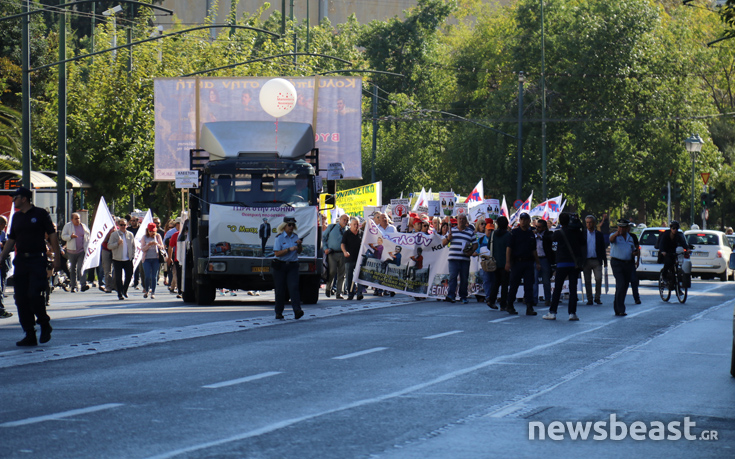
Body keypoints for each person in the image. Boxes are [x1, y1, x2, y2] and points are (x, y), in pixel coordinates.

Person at [0, 187, 61, 346]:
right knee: (20, 298)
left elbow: (52, 235)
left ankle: (44, 323)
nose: (14, 200)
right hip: (21, 261)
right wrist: (1, 258)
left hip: (37, 260)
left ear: (25, 198)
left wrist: (57, 257)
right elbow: (11, 239)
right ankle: (29, 333)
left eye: (16, 197)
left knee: (34, 294)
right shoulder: (16, 217)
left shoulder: (40, 214)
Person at [544, 213, 585, 321]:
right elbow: (583, 242)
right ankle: (572, 313)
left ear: (560, 222)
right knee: (573, 289)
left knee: (557, 288)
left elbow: (550, 238)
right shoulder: (577, 232)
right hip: (574, 264)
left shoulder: (558, 233)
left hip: (562, 263)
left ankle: (552, 312)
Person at [505, 213, 541, 315]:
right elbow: (509, 249)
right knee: (514, 284)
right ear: (519, 220)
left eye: (525, 219)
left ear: (529, 221)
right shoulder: (514, 233)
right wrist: (507, 262)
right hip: (517, 262)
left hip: (528, 262)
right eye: (522, 219)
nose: (523, 221)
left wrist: (537, 262)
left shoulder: (530, 234)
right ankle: (510, 304)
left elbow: (534, 250)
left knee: (529, 285)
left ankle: (529, 307)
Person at [272, 217, 305, 320]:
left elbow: (299, 251)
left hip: (292, 265)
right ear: (284, 226)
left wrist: (299, 245)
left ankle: (297, 311)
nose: (291, 227)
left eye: (293, 225)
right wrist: (288, 249)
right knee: (280, 290)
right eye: (289, 225)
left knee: (294, 287)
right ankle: (278, 312)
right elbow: (277, 253)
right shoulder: (279, 238)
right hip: (280, 266)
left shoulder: (295, 237)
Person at [441, 213, 477, 304]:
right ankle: (451, 295)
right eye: (460, 219)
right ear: (457, 220)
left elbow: (475, 244)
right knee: (453, 277)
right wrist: (448, 238)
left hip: (465, 259)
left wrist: (471, 251)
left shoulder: (470, 232)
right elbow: (443, 243)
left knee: (464, 278)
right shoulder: (451, 231)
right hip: (453, 258)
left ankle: (463, 296)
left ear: (466, 221)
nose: (461, 220)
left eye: (463, 219)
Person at [609, 219, 638, 316]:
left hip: (628, 263)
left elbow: (633, 249)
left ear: (627, 228)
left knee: (624, 286)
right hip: (617, 262)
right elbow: (611, 240)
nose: (621, 229)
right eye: (619, 227)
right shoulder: (615, 236)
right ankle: (620, 308)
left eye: (623, 227)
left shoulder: (630, 237)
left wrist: (635, 253)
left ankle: (617, 307)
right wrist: (617, 234)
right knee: (621, 284)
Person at [107, 218, 137, 301]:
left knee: (129, 275)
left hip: (128, 259)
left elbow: (133, 246)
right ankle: (120, 293)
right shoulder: (114, 235)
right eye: (121, 225)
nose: (123, 226)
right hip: (117, 259)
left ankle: (125, 290)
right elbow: (109, 246)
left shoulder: (130, 234)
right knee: (118, 277)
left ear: (127, 225)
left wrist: (132, 255)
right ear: (118, 225)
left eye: (124, 225)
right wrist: (117, 243)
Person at [61, 212, 90, 292]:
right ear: (72, 220)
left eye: (79, 218)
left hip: (81, 251)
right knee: (72, 269)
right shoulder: (68, 226)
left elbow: (88, 236)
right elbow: (63, 236)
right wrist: (70, 236)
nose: (78, 220)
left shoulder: (83, 227)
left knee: (81, 267)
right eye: (76, 218)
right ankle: (73, 286)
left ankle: (83, 284)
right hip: (71, 251)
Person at [486, 216, 510, 310]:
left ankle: (491, 300)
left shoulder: (492, 234)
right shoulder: (508, 235)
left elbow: (489, 247)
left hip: (495, 262)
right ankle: (503, 303)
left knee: (495, 282)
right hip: (505, 262)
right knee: (505, 284)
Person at [656, 220, 689, 287]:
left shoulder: (678, 235)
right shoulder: (665, 234)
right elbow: (661, 244)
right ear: (671, 228)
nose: (675, 230)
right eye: (673, 228)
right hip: (665, 252)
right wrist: (663, 251)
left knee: (675, 266)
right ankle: (664, 276)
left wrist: (687, 249)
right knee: (668, 263)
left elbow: (683, 243)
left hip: (673, 252)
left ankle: (677, 288)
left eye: (676, 228)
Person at [323, 214, 349, 298]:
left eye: (347, 220)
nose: (345, 221)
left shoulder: (347, 230)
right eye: (344, 219)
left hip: (343, 254)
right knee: (332, 272)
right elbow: (323, 238)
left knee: (342, 274)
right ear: (340, 219)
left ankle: (339, 293)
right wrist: (325, 248)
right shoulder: (332, 227)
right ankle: (328, 288)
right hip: (332, 253)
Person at [583, 215, 607, 305]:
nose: (589, 224)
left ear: (594, 223)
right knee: (587, 281)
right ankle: (589, 299)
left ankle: (597, 297)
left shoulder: (599, 234)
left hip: (597, 260)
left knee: (598, 278)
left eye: (590, 222)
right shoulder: (583, 234)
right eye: (587, 222)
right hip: (586, 261)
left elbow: (602, 248)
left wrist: (604, 261)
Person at [533, 219, 554, 307]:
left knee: (546, 280)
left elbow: (549, 239)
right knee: (534, 280)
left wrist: (540, 236)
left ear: (544, 228)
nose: (537, 228)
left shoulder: (548, 234)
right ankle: (534, 299)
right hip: (535, 259)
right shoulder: (533, 234)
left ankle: (548, 299)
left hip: (545, 259)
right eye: (536, 227)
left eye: (539, 227)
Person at [341, 217, 364, 300]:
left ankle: (359, 293)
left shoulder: (361, 233)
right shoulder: (347, 233)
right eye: (354, 224)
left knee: (360, 276)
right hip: (349, 258)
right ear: (350, 225)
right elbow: (342, 244)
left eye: (357, 224)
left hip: (359, 258)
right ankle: (350, 294)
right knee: (349, 276)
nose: (356, 226)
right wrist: (345, 252)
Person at [141, 222, 165, 299]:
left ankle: (153, 292)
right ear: (148, 231)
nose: (152, 233)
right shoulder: (144, 237)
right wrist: (148, 245)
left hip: (156, 258)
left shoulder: (158, 236)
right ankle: (147, 290)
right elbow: (142, 249)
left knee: (154, 276)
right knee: (147, 275)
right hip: (147, 259)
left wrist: (156, 244)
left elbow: (162, 247)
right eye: (150, 231)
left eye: (153, 231)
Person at [476, 218, 495, 306]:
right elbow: (476, 250)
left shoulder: (496, 240)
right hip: (484, 264)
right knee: (486, 281)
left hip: (494, 263)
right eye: (488, 230)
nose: (490, 232)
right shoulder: (480, 240)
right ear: (486, 230)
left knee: (494, 281)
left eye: (492, 230)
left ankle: (493, 296)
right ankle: (488, 297)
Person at [0, 216, 13, 319]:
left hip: (2, 262)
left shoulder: (3, 233)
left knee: (2, 285)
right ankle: (1, 310)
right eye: (4, 225)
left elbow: (6, 245)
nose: (4, 227)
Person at [167, 220, 182, 298]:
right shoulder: (175, 235)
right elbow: (171, 247)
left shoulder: (189, 234)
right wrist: (169, 258)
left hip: (188, 259)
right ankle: (180, 291)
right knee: (178, 275)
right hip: (178, 258)